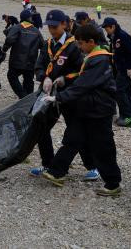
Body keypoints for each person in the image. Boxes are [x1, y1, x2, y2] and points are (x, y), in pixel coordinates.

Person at [42, 23, 122, 196]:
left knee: (103, 146)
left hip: (99, 110)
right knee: (72, 138)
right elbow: (82, 77)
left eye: (80, 43)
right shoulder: (92, 57)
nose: (79, 47)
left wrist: (59, 97)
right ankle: (56, 172)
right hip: (86, 107)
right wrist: (65, 79)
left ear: (91, 42)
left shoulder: (100, 60)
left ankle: (113, 183)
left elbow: (83, 85)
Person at [32, 10, 97, 182]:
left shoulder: (74, 45)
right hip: (48, 93)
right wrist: (44, 77)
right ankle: (48, 163)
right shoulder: (47, 44)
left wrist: (64, 79)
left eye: (55, 27)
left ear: (64, 24)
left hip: (69, 94)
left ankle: (93, 166)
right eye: (49, 27)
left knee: (75, 130)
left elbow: (81, 71)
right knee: (42, 127)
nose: (51, 30)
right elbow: (39, 66)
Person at [102, 17, 131, 127]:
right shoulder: (114, 37)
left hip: (126, 69)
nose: (106, 31)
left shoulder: (123, 36)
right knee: (126, 91)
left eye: (107, 28)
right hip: (120, 68)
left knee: (119, 91)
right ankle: (127, 116)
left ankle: (128, 117)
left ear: (113, 26)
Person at [2, 9, 43, 98]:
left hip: (17, 61)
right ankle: (28, 99)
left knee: (11, 76)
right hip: (31, 61)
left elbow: (9, 39)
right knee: (29, 80)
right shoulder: (36, 31)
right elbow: (42, 45)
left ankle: (22, 96)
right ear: (30, 18)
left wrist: (4, 50)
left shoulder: (17, 27)